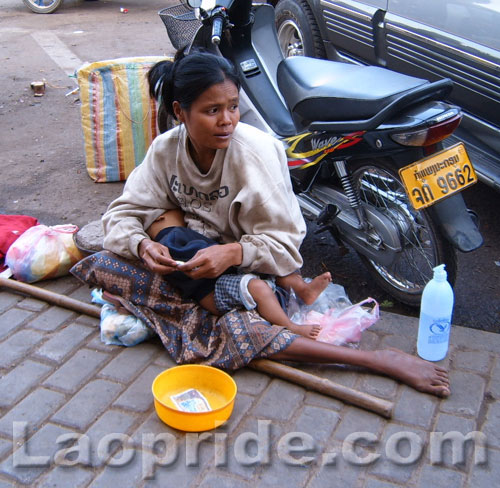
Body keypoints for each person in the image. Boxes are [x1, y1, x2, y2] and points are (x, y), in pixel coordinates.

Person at [101, 49, 450, 398]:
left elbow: (285, 246)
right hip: (191, 264)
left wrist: (234, 252)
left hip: (254, 274)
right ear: (180, 112)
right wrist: (143, 246)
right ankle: (189, 304)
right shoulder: (165, 150)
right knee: (103, 260)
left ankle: (379, 360)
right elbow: (119, 216)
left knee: (246, 330)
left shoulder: (256, 153)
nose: (227, 120)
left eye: (233, 106)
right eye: (212, 111)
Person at [144, 208, 331, 339]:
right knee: (257, 287)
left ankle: (304, 291)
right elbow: (196, 262)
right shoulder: (171, 238)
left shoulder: (174, 237)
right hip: (211, 289)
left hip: (228, 273)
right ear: (161, 219)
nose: (184, 215)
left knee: (276, 267)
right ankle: (290, 327)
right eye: (177, 212)